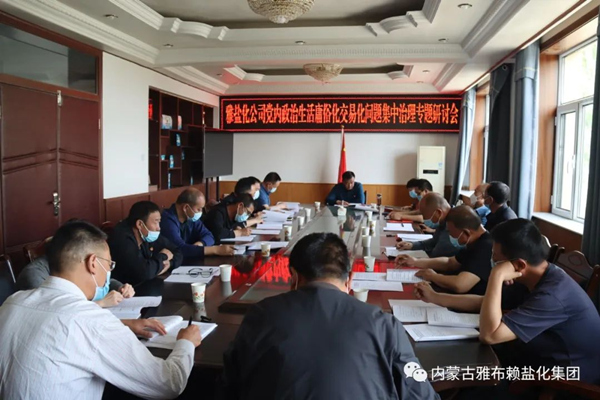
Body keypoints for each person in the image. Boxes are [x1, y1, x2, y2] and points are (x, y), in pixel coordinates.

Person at [218, 232, 439, 400]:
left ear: (293, 276)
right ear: (350, 279)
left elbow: (230, 384)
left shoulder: (260, 315)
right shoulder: (383, 324)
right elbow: (420, 393)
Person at [0, 220, 201, 399]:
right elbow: (168, 383)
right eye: (109, 265)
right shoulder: (92, 321)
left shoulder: (12, 303)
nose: (109, 274)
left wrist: (123, 324)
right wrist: (186, 343)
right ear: (93, 263)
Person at [415, 219, 600, 385]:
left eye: (496, 258)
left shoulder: (552, 296)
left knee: (460, 378)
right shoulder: (535, 275)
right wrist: (435, 297)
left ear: (518, 265)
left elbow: (490, 336)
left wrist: (496, 275)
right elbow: (485, 303)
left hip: (559, 378)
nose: (492, 261)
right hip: (531, 356)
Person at [396, 205, 492, 295]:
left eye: (450, 232)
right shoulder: (474, 242)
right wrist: (415, 262)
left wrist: (433, 276)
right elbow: (450, 262)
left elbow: (460, 285)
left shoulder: (486, 246)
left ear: (466, 233)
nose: (449, 236)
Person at [16, 254, 135, 308]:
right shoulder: (33, 275)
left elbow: (101, 281)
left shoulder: (73, 264)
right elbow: (53, 311)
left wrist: (120, 287)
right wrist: (100, 304)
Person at [109, 201, 183, 286]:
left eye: (159, 222)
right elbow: (144, 272)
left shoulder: (146, 234)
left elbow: (177, 251)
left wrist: (170, 264)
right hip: (125, 289)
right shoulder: (122, 239)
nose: (158, 228)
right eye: (155, 222)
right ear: (140, 224)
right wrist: (163, 256)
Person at [161, 188, 235, 259]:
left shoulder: (191, 218)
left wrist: (200, 244)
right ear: (186, 208)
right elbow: (179, 249)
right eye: (199, 209)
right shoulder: (167, 221)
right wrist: (216, 250)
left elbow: (209, 236)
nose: (201, 212)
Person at [396, 193, 460, 258]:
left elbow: (436, 255)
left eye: (425, 217)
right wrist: (412, 245)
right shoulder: (444, 221)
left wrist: (416, 260)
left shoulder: (455, 227)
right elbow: (433, 242)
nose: (424, 220)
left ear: (438, 213)